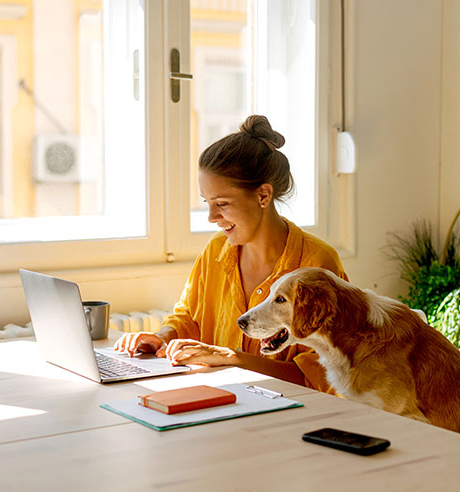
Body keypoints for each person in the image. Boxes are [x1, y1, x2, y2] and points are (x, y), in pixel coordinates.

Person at [114, 115, 346, 390]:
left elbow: (322, 377)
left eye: (221, 203)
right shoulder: (215, 250)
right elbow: (189, 317)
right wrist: (162, 337)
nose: (212, 216)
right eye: (207, 203)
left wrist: (234, 359)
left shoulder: (317, 263)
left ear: (263, 196)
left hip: (291, 414)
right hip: (221, 402)